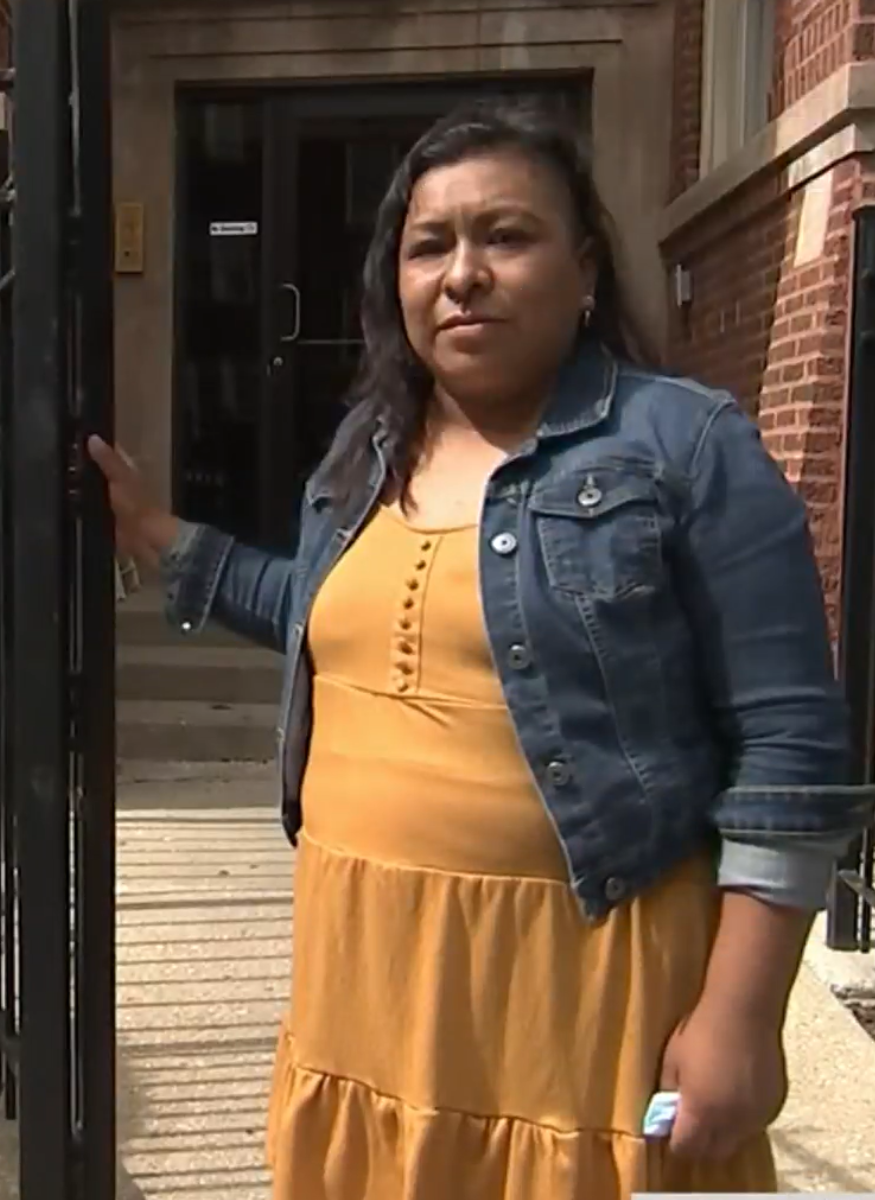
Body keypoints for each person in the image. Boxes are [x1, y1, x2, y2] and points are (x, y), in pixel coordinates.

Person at [89, 97, 875, 1199]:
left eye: (505, 235)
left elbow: (792, 744)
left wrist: (740, 1019)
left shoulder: (683, 443)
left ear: (586, 268)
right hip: (366, 985)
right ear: (395, 282)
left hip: (581, 990)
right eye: (429, 245)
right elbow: (329, 622)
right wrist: (161, 537)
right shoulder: (366, 449)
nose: (461, 273)